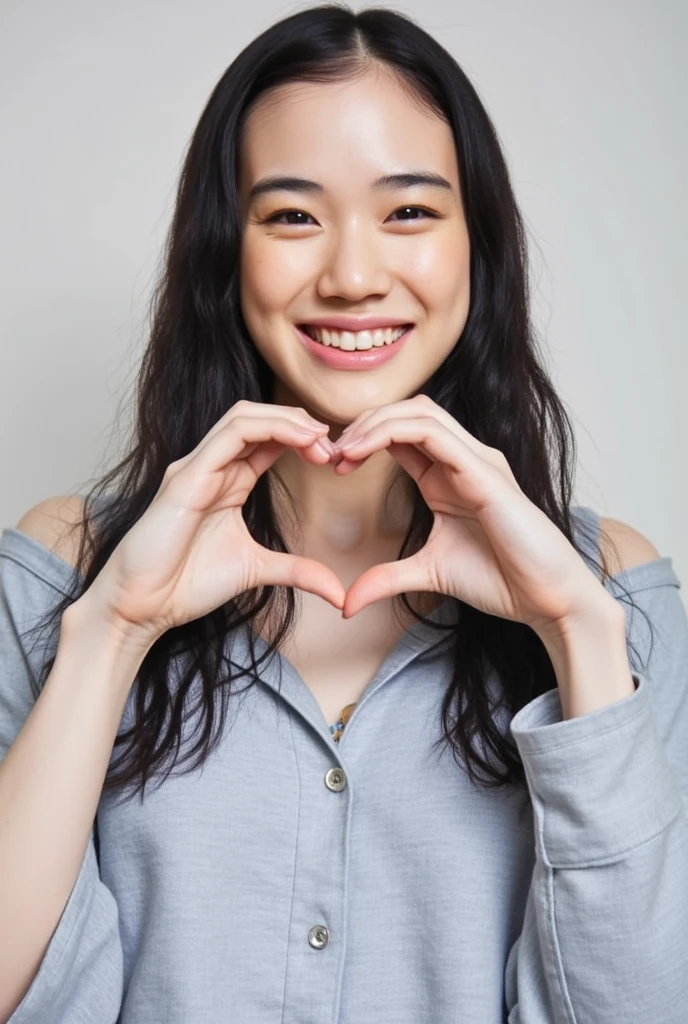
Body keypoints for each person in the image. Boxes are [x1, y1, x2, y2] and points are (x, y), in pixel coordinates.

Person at [0, 5, 686, 1023]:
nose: (354, 275)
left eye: (409, 212)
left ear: (476, 247)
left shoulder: (611, 583)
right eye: (291, 215)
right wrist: (112, 634)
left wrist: (576, 632)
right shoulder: (70, 565)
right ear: (223, 252)